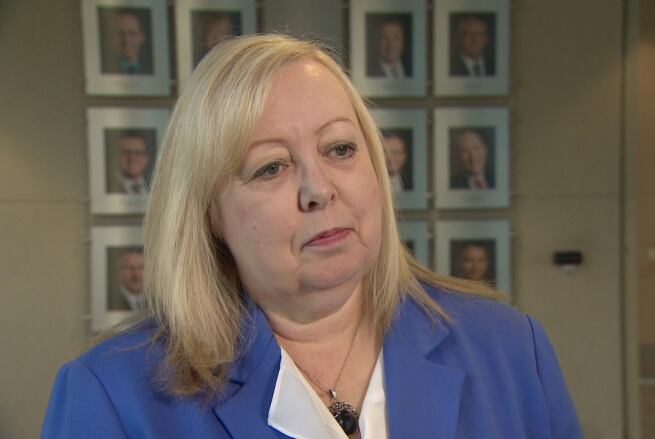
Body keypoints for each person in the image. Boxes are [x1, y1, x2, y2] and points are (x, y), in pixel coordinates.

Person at [42, 34, 581, 438]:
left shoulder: (513, 351)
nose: (317, 189)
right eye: (271, 167)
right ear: (209, 215)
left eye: (340, 149)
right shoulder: (111, 396)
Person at [108, 131, 151, 195]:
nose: (132, 158)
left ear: (146, 157)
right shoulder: (109, 186)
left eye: (137, 152)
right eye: (126, 152)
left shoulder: (154, 185)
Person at [111, 9, 149, 75]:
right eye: (121, 33)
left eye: (132, 33)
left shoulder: (149, 69)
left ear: (141, 37)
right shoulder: (108, 67)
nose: (126, 40)